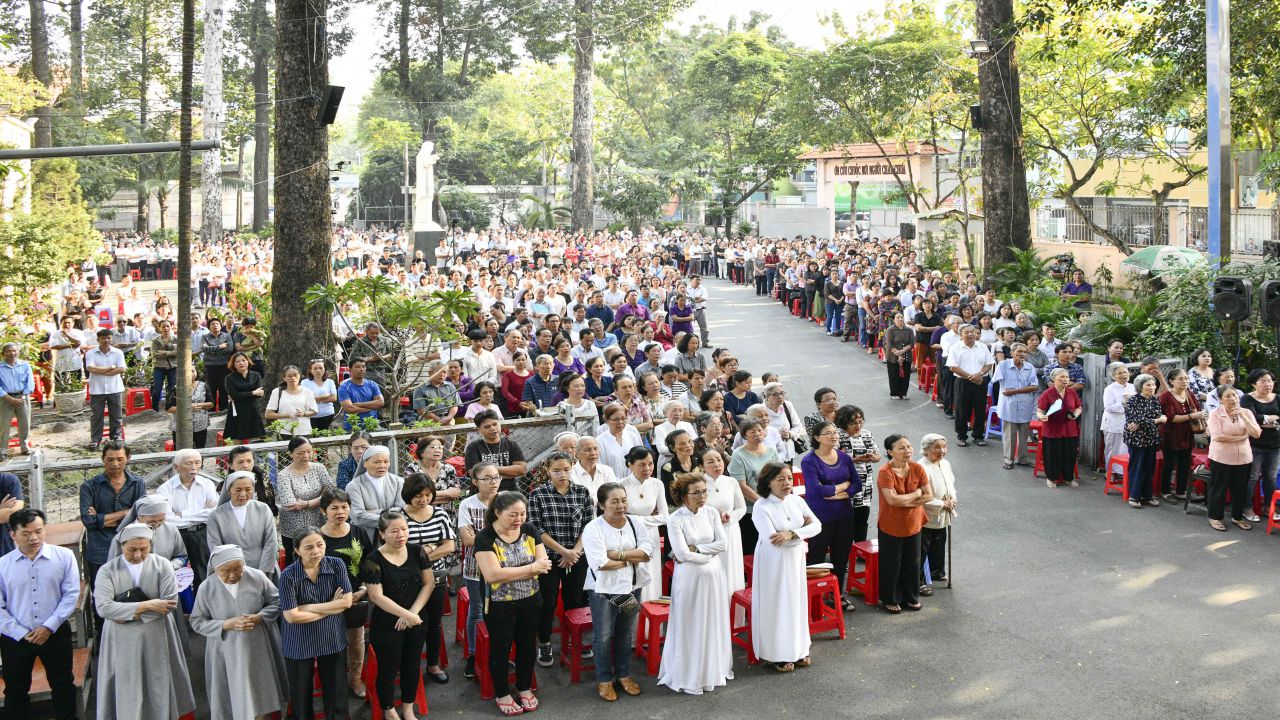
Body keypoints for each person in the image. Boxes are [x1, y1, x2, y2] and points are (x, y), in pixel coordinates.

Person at [93, 523, 197, 720]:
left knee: (159, 681)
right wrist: (147, 606)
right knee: (128, 685)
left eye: (144, 549)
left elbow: (169, 603)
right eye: (132, 549)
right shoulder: (107, 571)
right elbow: (104, 608)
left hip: (157, 635)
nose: (138, 554)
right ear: (122, 545)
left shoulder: (162, 565)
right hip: (122, 640)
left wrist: (124, 614)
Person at [189, 544, 290, 720]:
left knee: (261, 694)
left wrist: (260, 617)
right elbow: (197, 622)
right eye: (225, 571)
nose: (233, 575)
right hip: (226, 651)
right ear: (215, 569)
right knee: (234, 696)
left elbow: (278, 602)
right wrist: (225, 624)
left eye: (238, 568)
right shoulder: (207, 587)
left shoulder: (257, 577)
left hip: (258, 646)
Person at [474, 491, 551, 716]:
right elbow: (492, 575)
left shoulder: (530, 530)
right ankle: (502, 694)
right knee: (501, 648)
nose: (519, 519)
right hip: (499, 604)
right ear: (498, 513)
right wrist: (530, 569)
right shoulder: (485, 537)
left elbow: (544, 564)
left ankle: (524, 687)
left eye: (522, 514)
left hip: (530, 600)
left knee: (527, 645)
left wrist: (513, 572)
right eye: (513, 515)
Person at [0, 508, 80, 720]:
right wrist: (20, 632)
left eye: (38, 531)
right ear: (13, 534)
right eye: (26, 533)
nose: (34, 538)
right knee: (15, 690)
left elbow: (71, 594)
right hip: (16, 638)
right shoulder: (2, 565)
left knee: (63, 684)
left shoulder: (64, 557)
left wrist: (48, 627)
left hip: (55, 633)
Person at [657, 472, 733, 694]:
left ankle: (712, 669)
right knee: (691, 623)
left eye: (704, 492)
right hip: (690, 578)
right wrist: (707, 556)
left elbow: (723, 544)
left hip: (714, 576)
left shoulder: (711, 513)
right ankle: (689, 674)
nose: (702, 496)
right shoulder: (676, 519)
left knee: (713, 620)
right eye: (696, 493)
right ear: (683, 496)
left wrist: (697, 549)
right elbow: (681, 553)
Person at [581, 482, 652, 701]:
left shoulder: (635, 522)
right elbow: (601, 563)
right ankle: (604, 679)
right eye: (614, 501)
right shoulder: (593, 528)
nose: (621, 505)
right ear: (602, 505)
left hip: (631, 586)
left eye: (623, 500)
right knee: (603, 635)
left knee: (625, 632)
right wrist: (632, 557)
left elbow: (647, 552)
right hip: (603, 590)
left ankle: (623, 675)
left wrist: (618, 555)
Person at [361, 510, 435, 720]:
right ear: (382, 534)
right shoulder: (373, 560)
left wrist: (411, 614)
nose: (401, 534)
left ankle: (408, 708)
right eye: (394, 531)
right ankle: (389, 710)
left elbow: (428, 583)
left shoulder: (417, 551)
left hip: (416, 618)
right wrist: (405, 615)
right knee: (388, 668)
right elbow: (376, 596)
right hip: (387, 623)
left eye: (404, 529)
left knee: (412, 665)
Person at [750, 462, 821, 672]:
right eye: (780, 479)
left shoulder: (797, 501)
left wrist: (791, 533)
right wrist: (802, 531)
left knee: (795, 602)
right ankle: (775, 653)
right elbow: (772, 539)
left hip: (795, 558)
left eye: (789, 478)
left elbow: (817, 526)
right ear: (768, 482)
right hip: (773, 561)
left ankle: (798, 649)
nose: (787, 483)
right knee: (777, 604)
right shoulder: (761, 506)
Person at [279, 528, 354, 720]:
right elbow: (292, 617)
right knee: (301, 694)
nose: (316, 551)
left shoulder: (336, 565)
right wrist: (331, 607)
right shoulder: (288, 575)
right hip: (299, 640)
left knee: (337, 692)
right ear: (297, 550)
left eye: (320, 545)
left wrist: (308, 607)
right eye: (309, 547)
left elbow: (346, 602)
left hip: (331, 636)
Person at [526, 452, 592, 667]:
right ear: (548, 471)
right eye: (556, 470)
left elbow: (588, 526)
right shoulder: (537, 494)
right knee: (547, 602)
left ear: (572, 467)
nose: (562, 474)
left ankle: (574, 639)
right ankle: (544, 642)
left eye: (566, 469)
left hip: (576, 556)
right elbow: (536, 529)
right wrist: (564, 551)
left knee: (575, 600)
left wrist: (574, 552)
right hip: (548, 558)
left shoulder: (582, 492)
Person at [318, 489, 374, 698]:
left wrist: (363, 589)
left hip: (357, 598)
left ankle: (355, 679)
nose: (340, 512)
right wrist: (331, 600)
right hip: (327, 601)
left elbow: (370, 564)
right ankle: (335, 684)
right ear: (324, 511)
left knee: (357, 641)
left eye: (344, 507)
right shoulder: (317, 537)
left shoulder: (358, 532)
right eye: (334, 508)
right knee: (331, 644)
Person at [400, 475, 456, 684]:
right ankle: (408, 665)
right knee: (410, 621)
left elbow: (449, 546)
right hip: (407, 578)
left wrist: (421, 557)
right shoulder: (398, 515)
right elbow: (394, 548)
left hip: (435, 577)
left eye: (427, 495)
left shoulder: (439, 514)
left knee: (434, 622)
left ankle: (433, 664)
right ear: (408, 495)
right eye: (418, 496)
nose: (423, 499)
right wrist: (431, 548)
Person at [799, 421, 860, 608]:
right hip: (820, 516)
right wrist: (843, 486)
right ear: (817, 437)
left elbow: (857, 484)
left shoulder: (844, 457)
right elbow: (816, 491)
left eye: (835, 432)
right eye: (828, 433)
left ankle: (836, 594)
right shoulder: (809, 461)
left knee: (840, 557)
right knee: (816, 556)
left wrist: (835, 493)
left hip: (844, 514)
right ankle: (813, 596)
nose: (834, 436)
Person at [876, 435, 932, 614]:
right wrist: (916, 494)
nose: (907, 451)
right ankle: (889, 598)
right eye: (901, 448)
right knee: (891, 563)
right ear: (890, 452)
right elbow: (892, 500)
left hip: (914, 523)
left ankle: (910, 597)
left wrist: (905, 501)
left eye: (909, 446)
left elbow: (929, 494)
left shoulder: (917, 468)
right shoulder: (885, 472)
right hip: (891, 524)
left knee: (913, 563)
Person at [457, 463, 501, 676]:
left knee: (501, 611)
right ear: (475, 481)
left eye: (496, 477)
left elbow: (517, 532)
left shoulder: (506, 500)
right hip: (476, 568)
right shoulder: (467, 504)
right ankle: (474, 654)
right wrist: (499, 538)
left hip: (505, 567)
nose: (493, 482)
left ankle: (498, 653)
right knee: (477, 611)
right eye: (487, 478)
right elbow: (467, 540)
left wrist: (481, 537)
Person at [154, 448, 219, 586]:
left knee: (204, 574)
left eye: (197, 462)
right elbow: (168, 519)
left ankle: (202, 599)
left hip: (202, 533)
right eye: (188, 463)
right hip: (177, 535)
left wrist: (182, 514)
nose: (194, 467)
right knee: (177, 576)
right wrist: (202, 512)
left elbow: (214, 513)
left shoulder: (207, 484)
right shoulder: (165, 489)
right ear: (176, 467)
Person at [208, 470, 281, 582]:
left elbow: (271, 542)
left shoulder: (263, 509)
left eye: (248, 489)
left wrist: (262, 572)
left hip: (265, 571)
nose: (243, 494)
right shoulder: (216, 516)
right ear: (229, 491)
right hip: (232, 574)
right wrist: (235, 573)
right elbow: (216, 548)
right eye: (238, 490)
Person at [1206, 386, 1262, 532]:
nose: (1233, 399)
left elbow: (1256, 433)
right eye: (1228, 396)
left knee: (1240, 489)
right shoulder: (1215, 414)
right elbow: (1218, 437)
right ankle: (1215, 517)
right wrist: (1242, 437)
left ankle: (1237, 517)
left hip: (1244, 458)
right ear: (1221, 399)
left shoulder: (1246, 412)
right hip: (1221, 458)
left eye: (1235, 395)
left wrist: (1244, 417)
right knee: (1219, 488)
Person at [618, 447, 667, 602]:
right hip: (629, 536)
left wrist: (637, 519)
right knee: (633, 574)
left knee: (651, 572)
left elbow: (665, 517)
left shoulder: (657, 484)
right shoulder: (621, 485)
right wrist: (643, 520)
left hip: (651, 534)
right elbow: (619, 517)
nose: (647, 468)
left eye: (650, 464)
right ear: (630, 465)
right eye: (642, 465)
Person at [277, 436, 335, 564]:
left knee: (320, 557)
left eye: (309, 451)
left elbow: (332, 492)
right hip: (293, 528)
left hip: (318, 522)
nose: (306, 456)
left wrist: (307, 503)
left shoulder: (319, 468)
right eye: (300, 453)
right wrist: (320, 499)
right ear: (291, 454)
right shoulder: (284, 475)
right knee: (296, 561)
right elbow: (291, 505)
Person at [727, 417, 776, 554]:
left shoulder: (771, 451)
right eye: (752, 432)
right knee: (751, 548)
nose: (757, 434)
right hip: (750, 509)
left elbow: (780, 475)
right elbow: (741, 486)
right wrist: (762, 502)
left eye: (760, 430)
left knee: (771, 545)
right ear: (744, 435)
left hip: (772, 504)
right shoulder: (739, 455)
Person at [917, 435, 956, 594]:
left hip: (944, 512)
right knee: (922, 548)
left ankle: (937, 571)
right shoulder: (921, 467)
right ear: (926, 449)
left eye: (944, 447)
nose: (942, 451)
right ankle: (919, 581)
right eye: (937, 447)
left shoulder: (945, 463)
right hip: (926, 514)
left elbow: (951, 484)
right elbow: (921, 496)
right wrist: (941, 503)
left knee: (939, 543)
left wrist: (952, 499)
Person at [1158, 368, 1204, 502]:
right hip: (1170, 435)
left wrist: (1198, 416)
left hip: (1187, 434)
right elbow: (1171, 417)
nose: (1185, 381)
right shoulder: (1166, 397)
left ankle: (1181, 491)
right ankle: (1165, 492)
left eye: (1186, 378)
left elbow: (1197, 409)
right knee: (1169, 464)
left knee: (1185, 463)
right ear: (1172, 381)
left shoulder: (1189, 393)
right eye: (1181, 378)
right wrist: (1191, 416)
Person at [835, 405, 879, 543]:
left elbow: (878, 456)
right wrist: (856, 459)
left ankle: (860, 548)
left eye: (860, 421)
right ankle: (845, 549)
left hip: (865, 484)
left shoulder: (867, 434)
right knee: (845, 521)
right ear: (843, 423)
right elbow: (833, 460)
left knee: (862, 519)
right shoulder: (837, 436)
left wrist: (873, 457)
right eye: (853, 423)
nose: (858, 425)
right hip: (845, 484)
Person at [992, 343, 1040, 469]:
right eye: (1019, 351)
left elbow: (1035, 386)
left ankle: (1023, 459)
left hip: (1025, 404)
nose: (1022, 354)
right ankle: (1008, 460)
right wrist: (1022, 389)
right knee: (1009, 435)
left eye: (1025, 352)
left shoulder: (1030, 367)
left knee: (1024, 434)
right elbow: (1000, 386)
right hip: (1009, 405)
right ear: (1012, 353)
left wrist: (1014, 391)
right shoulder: (1003, 365)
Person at [1241, 370, 1280, 523]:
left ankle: (1268, 506)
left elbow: (1259, 420)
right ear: (1254, 383)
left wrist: (1265, 421)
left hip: (1275, 445)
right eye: (1263, 381)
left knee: (1271, 477)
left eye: (1270, 380)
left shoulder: (1277, 398)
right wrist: (1273, 419)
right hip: (1254, 445)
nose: (1268, 384)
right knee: (1252, 477)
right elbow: (1251, 418)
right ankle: (1247, 507)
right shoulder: (1247, 398)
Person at [946, 325, 994, 447]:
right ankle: (961, 436)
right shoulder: (955, 347)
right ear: (961, 335)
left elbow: (989, 363)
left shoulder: (982, 346)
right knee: (961, 409)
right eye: (966, 332)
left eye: (972, 332)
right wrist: (970, 377)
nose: (970, 334)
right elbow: (953, 367)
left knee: (980, 409)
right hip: (962, 381)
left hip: (980, 381)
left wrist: (980, 374)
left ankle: (978, 436)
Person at [1037, 368, 1084, 489]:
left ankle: (1068, 478)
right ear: (1053, 379)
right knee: (1053, 454)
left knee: (1069, 454)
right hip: (1052, 429)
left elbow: (1078, 407)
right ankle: (1051, 478)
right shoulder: (1047, 393)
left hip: (1070, 429)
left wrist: (1075, 415)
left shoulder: (1071, 392)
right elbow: (1040, 411)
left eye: (1067, 377)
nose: (1065, 379)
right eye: (1061, 377)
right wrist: (1042, 416)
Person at [1123, 374, 1166, 508]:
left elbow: (1155, 418)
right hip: (1137, 439)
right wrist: (1156, 420)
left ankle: (1147, 495)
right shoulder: (1133, 400)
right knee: (1137, 467)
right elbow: (1137, 419)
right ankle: (1134, 496)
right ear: (1140, 387)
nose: (1152, 387)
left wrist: (1151, 421)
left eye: (1153, 384)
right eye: (1148, 385)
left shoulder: (1155, 400)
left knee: (1149, 467)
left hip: (1151, 438)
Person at [464, 410, 528, 491]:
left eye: (495, 424)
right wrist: (509, 473)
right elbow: (474, 473)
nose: (493, 428)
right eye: (487, 427)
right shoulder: (473, 447)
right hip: (484, 492)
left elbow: (522, 469)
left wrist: (488, 472)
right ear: (479, 430)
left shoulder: (511, 444)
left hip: (509, 491)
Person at [85, 328, 127, 449]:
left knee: (116, 415)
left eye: (109, 338)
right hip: (97, 389)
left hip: (115, 388)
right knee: (96, 416)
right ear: (98, 339)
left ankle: (116, 437)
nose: (106, 340)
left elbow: (122, 369)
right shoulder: (91, 353)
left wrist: (102, 371)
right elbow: (91, 369)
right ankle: (95, 440)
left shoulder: (118, 352)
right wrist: (111, 368)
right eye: (103, 338)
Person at [348, 445, 405, 530]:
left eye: (386, 461)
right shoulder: (354, 486)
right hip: (365, 533)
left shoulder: (399, 482)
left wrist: (372, 512)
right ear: (365, 463)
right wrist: (385, 514)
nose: (382, 465)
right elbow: (357, 516)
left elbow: (403, 510)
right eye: (376, 462)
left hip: (395, 531)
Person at [1102, 362, 1136, 480]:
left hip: (1129, 423)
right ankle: (1110, 471)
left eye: (1125, 372)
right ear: (1113, 376)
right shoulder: (1109, 389)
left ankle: (1122, 471)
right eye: (1119, 373)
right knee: (1112, 448)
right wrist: (1123, 403)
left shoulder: (1133, 387)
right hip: (1113, 423)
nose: (1123, 375)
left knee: (1125, 448)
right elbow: (1108, 407)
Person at [0, 343, 35, 458]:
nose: (12, 353)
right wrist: (9, 398)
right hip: (5, 398)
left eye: (14, 350)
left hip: (22, 397)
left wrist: (23, 397)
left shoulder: (25, 365)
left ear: (18, 352)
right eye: (8, 351)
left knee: (25, 423)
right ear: (3, 354)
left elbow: (30, 383)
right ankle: (3, 450)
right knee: (4, 425)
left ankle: (25, 447)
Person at [265, 365, 319, 436]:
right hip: (284, 431)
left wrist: (304, 413)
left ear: (299, 376)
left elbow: (314, 411)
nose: (293, 378)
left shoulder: (307, 392)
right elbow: (268, 414)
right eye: (289, 376)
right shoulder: (277, 392)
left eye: (295, 375)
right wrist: (286, 415)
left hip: (304, 431)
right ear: (284, 378)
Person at [224, 351, 266, 442]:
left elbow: (260, 393)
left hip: (253, 410)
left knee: (255, 440)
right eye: (238, 361)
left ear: (248, 361)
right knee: (237, 441)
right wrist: (253, 393)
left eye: (243, 360)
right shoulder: (229, 378)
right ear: (234, 364)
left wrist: (242, 395)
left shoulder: (256, 375)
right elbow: (234, 395)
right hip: (237, 411)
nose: (241, 363)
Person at [337, 358, 385, 429]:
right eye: (358, 367)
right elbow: (349, 408)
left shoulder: (372, 384)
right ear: (350, 370)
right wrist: (371, 408)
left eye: (363, 366)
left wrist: (358, 404)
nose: (362, 369)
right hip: (353, 426)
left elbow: (380, 402)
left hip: (372, 424)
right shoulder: (344, 387)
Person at [201, 318, 234, 411]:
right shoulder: (205, 337)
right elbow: (205, 349)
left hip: (224, 365)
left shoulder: (227, 336)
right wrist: (220, 347)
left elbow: (230, 349)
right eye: (213, 324)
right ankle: (211, 409)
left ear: (220, 326)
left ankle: (223, 408)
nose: (215, 325)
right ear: (209, 326)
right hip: (210, 366)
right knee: (211, 388)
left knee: (223, 387)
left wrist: (212, 350)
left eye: (217, 324)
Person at [884, 312, 915, 400]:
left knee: (906, 375)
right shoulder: (890, 330)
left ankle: (903, 393)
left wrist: (902, 351)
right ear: (894, 320)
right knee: (893, 375)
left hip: (906, 355)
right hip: (893, 356)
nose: (900, 319)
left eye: (902, 317)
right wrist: (897, 353)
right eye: (898, 317)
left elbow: (912, 344)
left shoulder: (909, 330)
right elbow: (889, 344)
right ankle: (894, 393)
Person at [303, 359, 340, 431]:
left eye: (320, 368)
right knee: (313, 436)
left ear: (325, 369)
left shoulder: (330, 382)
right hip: (311, 415)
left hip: (328, 414)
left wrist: (314, 399)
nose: (318, 371)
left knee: (326, 435)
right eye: (315, 368)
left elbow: (334, 398)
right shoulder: (305, 382)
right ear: (310, 370)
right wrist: (325, 396)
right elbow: (304, 398)